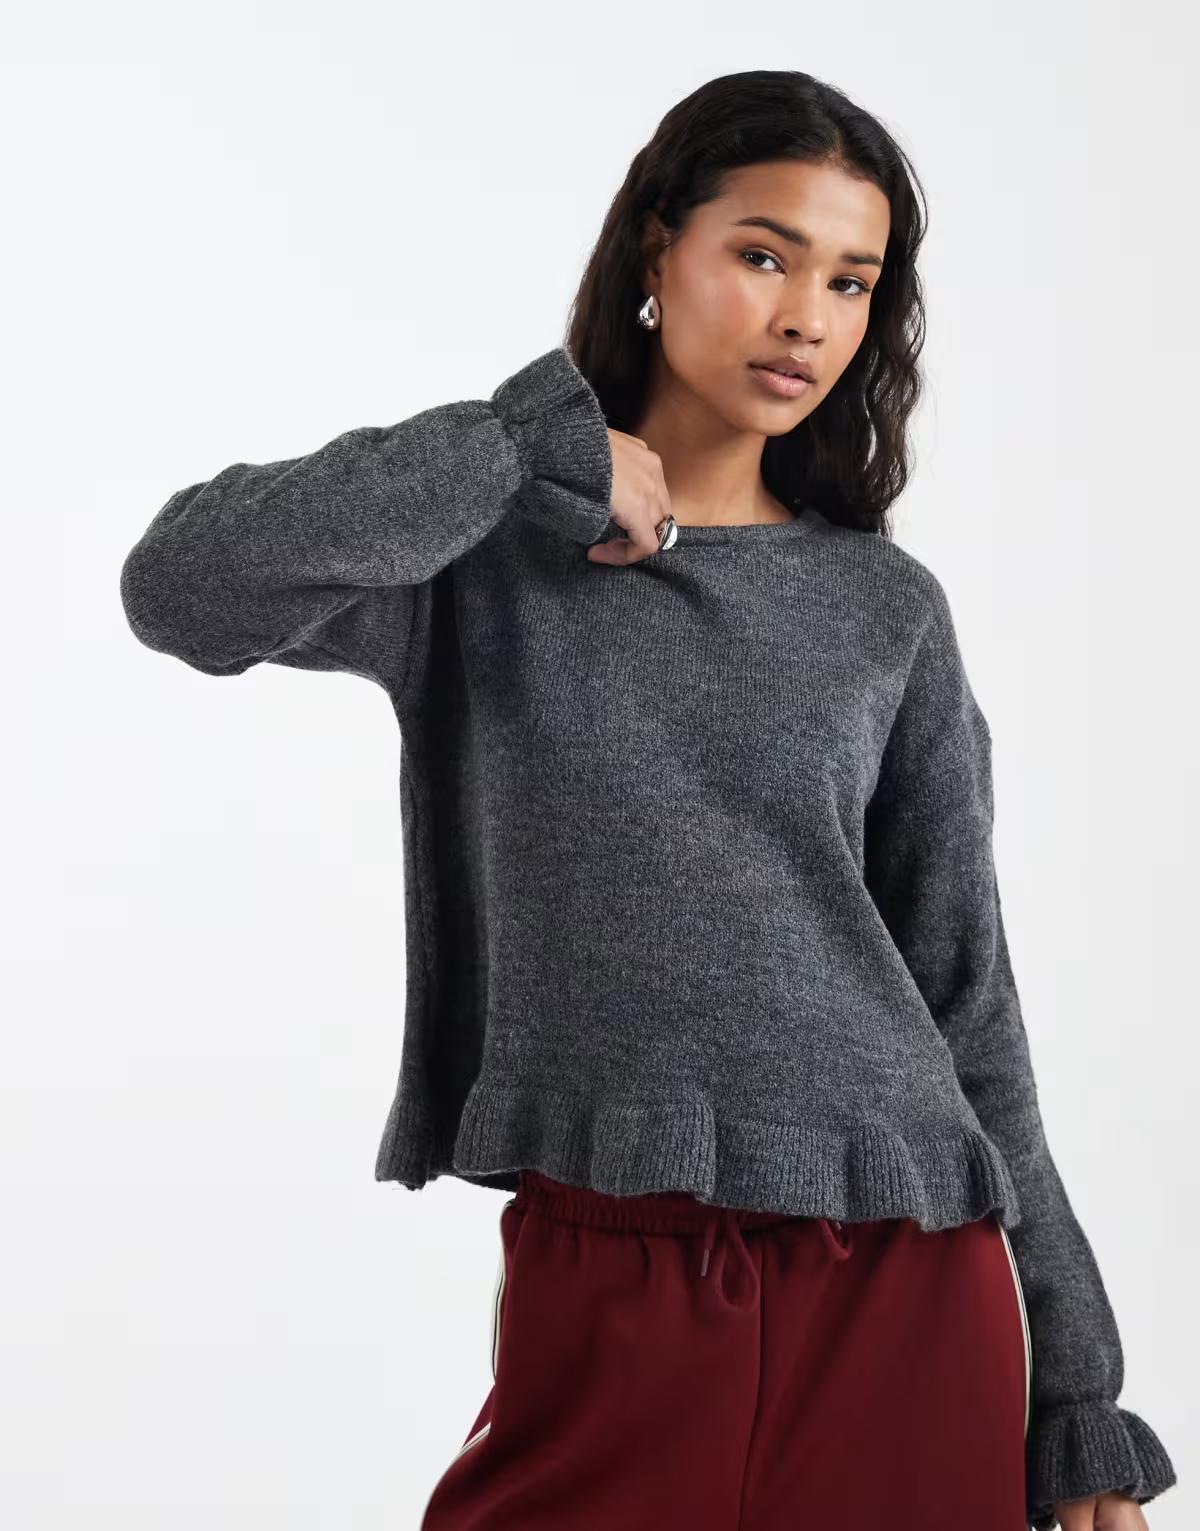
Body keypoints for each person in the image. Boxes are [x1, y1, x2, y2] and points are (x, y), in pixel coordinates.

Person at [118, 69, 1176, 1531]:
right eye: (764, 254)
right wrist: (519, 447)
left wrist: (1078, 1399)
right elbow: (181, 587)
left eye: (851, 280)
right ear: (656, 255)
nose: (807, 317)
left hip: (903, 1283)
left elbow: (967, 1000)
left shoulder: (886, 610)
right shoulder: (480, 560)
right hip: (608, 1271)